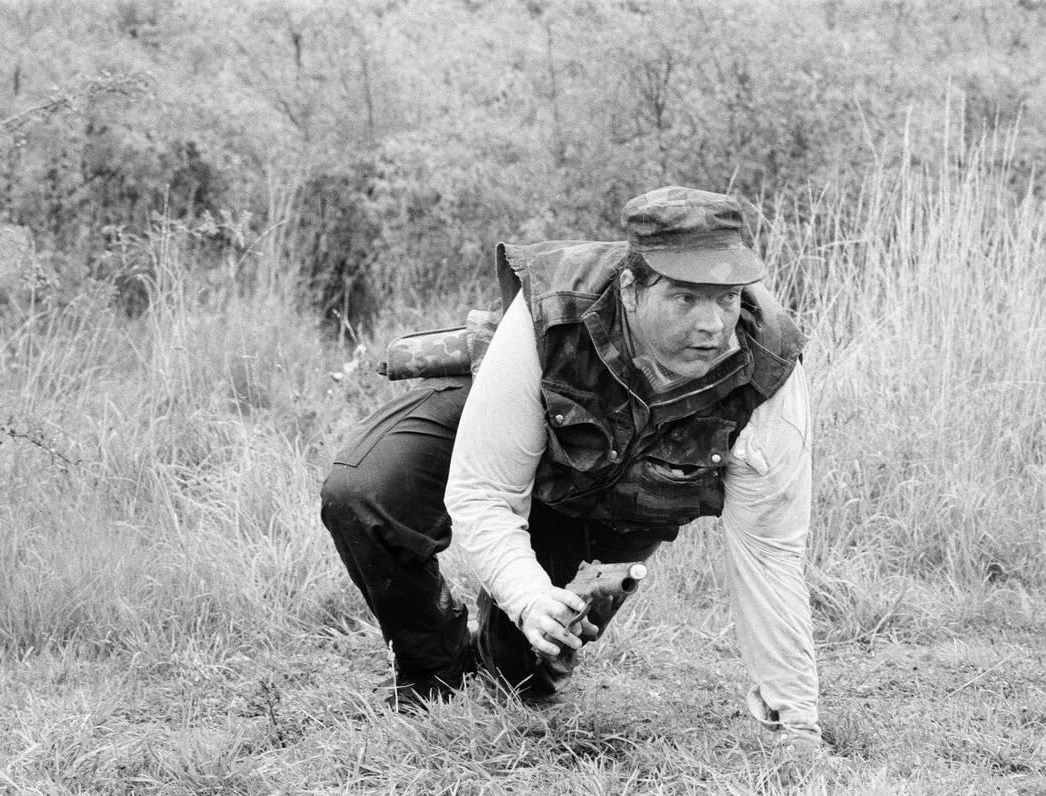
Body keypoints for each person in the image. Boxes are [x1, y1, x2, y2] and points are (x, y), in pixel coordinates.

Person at [319, 186, 824, 753]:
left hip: (615, 502)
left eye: (727, 298)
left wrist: (796, 722)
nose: (713, 325)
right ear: (632, 291)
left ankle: (549, 619)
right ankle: (431, 666)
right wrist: (529, 593)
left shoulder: (770, 366)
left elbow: (770, 552)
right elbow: (483, 491)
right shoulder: (553, 308)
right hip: (522, 416)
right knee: (363, 492)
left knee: (522, 676)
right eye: (686, 299)